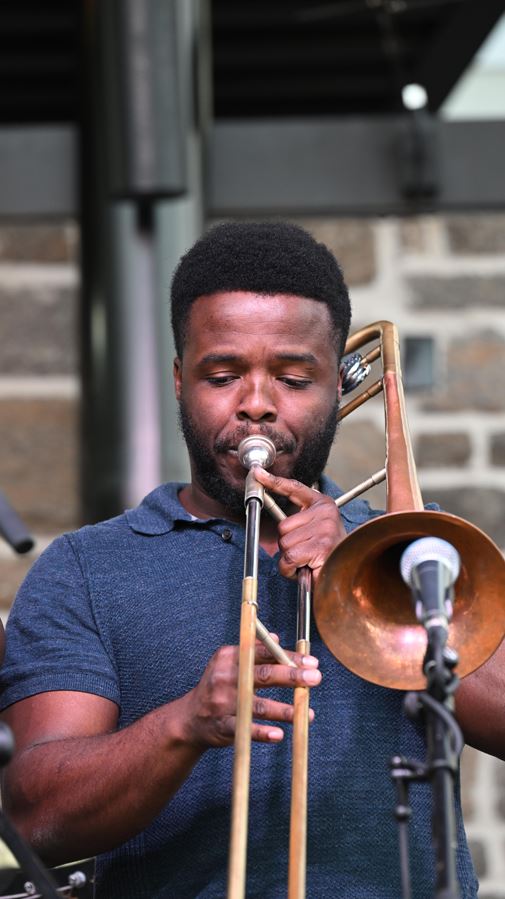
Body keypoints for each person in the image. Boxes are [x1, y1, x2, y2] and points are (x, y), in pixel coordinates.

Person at [0, 222, 502, 899]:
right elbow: (36, 816)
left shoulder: (417, 551)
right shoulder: (85, 569)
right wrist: (182, 725)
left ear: (338, 386)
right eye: (222, 376)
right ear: (179, 382)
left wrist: (373, 576)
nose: (257, 405)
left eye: (293, 378)